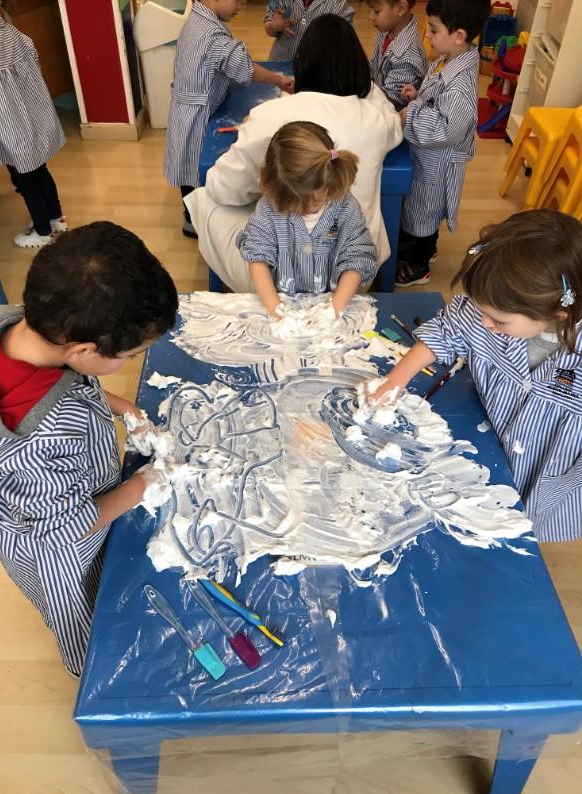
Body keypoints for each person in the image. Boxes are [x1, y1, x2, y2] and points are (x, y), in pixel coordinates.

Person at [0, 222, 178, 675]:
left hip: (60, 492)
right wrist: (145, 483)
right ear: (84, 350)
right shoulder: (33, 442)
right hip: (61, 551)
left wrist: (122, 406)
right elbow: (69, 527)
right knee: (90, 619)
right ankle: (88, 669)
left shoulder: (19, 325)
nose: (130, 361)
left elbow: (58, 384)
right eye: (130, 356)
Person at [369, 209, 582, 542]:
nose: (485, 323)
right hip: (488, 443)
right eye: (481, 311)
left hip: (545, 473)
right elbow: (446, 331)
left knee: (514, 535)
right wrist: (393, 383)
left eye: (498, 321)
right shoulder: (492, 308)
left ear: (558, 313)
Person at [185, 14, 402, 291]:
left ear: (301, 63)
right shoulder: (376, 119)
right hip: (354, 277)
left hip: (280, 281)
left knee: (206, 197)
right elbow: (384, 107)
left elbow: (224, 188)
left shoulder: (270, 114)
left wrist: (252, 140)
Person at [163, 0, 294, 238]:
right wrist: (279, 80)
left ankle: (192, 214)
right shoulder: (211, 35)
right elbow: (246, 68)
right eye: (237, 0)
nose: (241, 6)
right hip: (196, 114)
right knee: (194, 168)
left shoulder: (198, 20)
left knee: (189, 165)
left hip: (189, 109)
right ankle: (194, 220)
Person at [394, 0, 490, 287]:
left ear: (458, 36)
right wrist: (418, 95)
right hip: (427, 157)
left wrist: (411, 113)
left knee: (425, 209)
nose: (428, 34)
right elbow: (436, 99)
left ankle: (419, 265)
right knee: (419, 206)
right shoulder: (448, 60)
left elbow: (445, 129)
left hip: (438, 163)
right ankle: (422, 246)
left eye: (434, 30)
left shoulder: (460, 86)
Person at [237, 122, 377, 318]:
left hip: (335, 299)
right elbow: (257, 258)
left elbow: (357, 258)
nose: (307, 210)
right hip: (282, 300)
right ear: (275, 192)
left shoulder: (346, 207)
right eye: (296, 205)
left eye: (316, 201)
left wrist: (333, 310)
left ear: (329, 182)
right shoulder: (268, 209)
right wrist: (277, 312)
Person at [0, 1, 67, 248]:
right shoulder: (14, 34)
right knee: (41, 171)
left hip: (10, 128)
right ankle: (57, 219)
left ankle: (43, 232)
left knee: (26, 181)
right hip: (34, 119)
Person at [367, 0, 427, 110]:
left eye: (376, 11)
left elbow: (385, 100)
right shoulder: (385, 32)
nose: (370, 16)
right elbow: (375, 69)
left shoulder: (408, 57)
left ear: (401, 8)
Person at [264, 0, 355, 62]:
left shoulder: (339, 4)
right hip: (281, 62)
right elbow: (269, 30)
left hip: (318, 66)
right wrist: (274, 25)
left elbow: (345, 44)